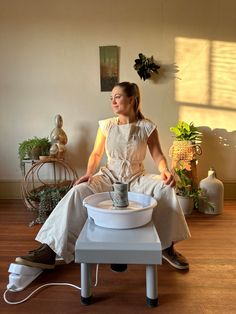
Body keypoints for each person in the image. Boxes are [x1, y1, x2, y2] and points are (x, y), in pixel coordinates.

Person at [15, 82, 190, 271]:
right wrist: (89, 174)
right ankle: (50, 249)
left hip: (136, 178)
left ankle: (166, 246)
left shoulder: (146, 127)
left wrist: (165, 170)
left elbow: (157, 154)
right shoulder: (106, 125)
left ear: (131, 99)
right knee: (78, 191)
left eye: (117, 97)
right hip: (108, 176)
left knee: (165, 187)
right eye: (111, 98)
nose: (113, 101)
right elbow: (96, 154)